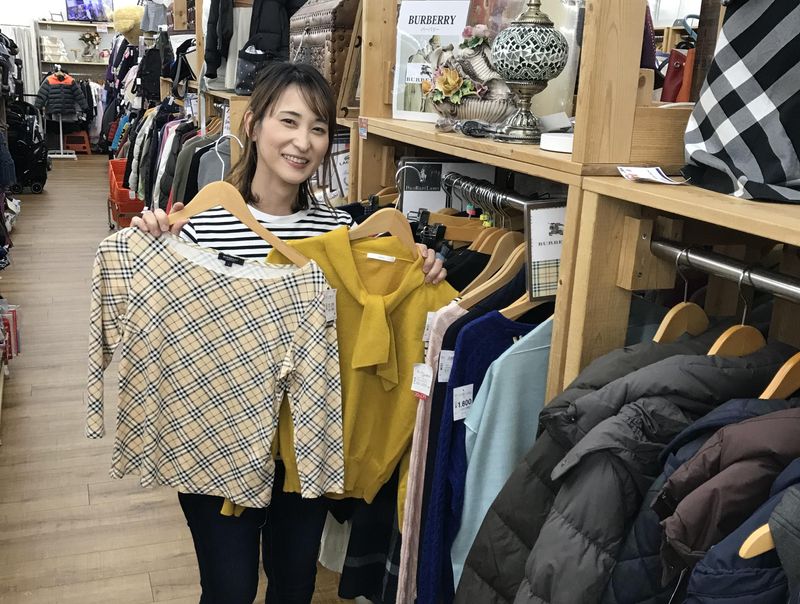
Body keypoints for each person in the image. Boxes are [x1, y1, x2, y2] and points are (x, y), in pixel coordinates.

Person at [132, 61, 446, 604]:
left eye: (319, 129)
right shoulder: (200, 227)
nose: (303, 142)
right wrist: (154, 244)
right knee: (229, 590)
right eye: (289, 121)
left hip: (306, 442)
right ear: (253, 125)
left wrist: (419, 264)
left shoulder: (340, 233)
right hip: (220, 437)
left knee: (295, 584)